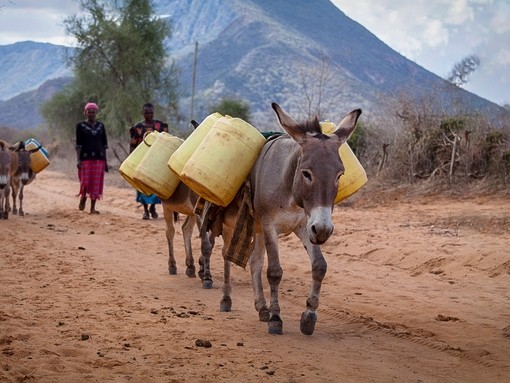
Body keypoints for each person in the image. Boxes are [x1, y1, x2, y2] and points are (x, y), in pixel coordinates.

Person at [129, 103, 167, 220]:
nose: (149, 115)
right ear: (143, 113)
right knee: (142, 185)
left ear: (153, 113)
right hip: (141, 161)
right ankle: (145, 210)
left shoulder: (160, 126)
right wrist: (132, 160)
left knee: (154, 185)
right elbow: (132, 145)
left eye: (151, 112)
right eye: (146, 113)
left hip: (156, 161)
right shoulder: (138, 128)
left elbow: (166, 141)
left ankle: (153, 207)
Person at [76, 102, 108, 214]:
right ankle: (83, 197)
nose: (91, 114)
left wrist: (106, 162)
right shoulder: (80, 126)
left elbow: (104, 144)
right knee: (85, 182)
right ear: (85, 113)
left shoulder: (101, 126)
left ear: (96, 113)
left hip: (99, 158)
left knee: (96, 183)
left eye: (93, 112)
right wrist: (78, 160)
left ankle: (93, 208)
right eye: (89, 112)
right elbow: (78, 144)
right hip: (85, 158)